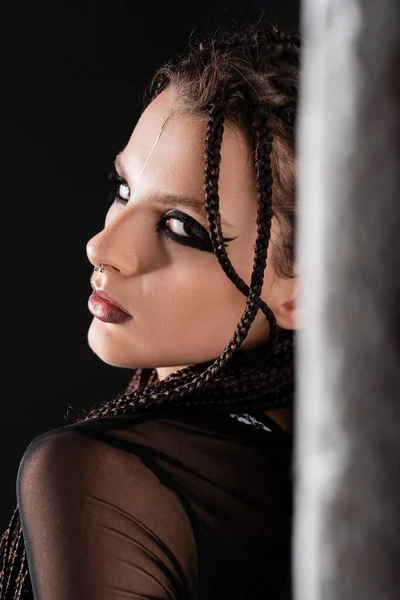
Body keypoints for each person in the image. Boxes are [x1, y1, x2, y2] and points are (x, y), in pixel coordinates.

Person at [0, 21, 300, 600]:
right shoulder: (348, 476)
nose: (104, 247)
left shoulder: (103, 477)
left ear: (302, 289)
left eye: (183, 227)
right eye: (123, 189)